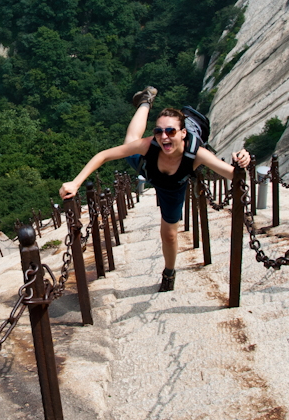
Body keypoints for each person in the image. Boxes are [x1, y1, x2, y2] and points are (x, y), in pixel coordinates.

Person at [59, 87, 251, 292]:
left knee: (169, 234)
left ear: (183, 133)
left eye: (171, 131)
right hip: (148, 167)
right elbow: (104, 155)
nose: (164, 137)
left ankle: (169, 272)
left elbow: (234, 174)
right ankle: (146, 101)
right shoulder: (149, 145)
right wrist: (76, 182)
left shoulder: (197, 154)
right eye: (159, 131)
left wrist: (242, 161)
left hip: (173, 188)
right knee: (129, 144)